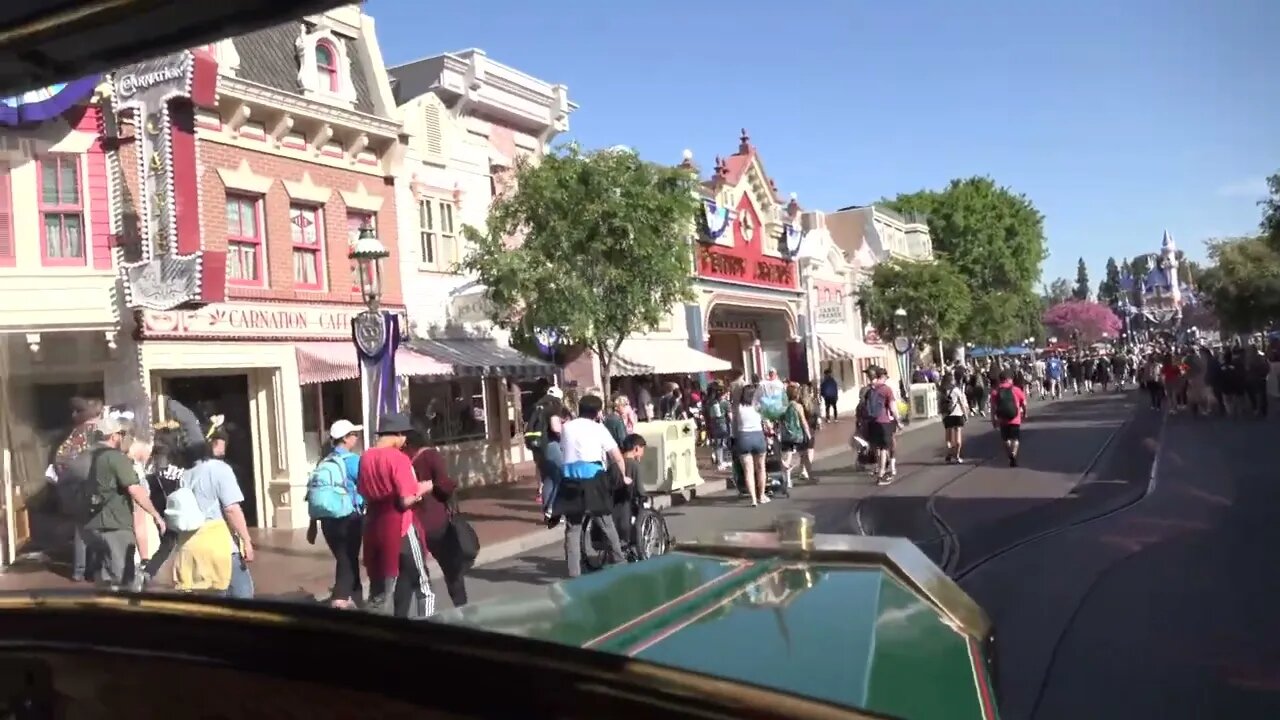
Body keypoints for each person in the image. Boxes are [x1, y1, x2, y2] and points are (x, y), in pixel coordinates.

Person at [356, 412, 434, 618]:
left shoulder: (365, 456)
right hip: (401, 524)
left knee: (380, 589)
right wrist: (424, 489)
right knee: (422, 584)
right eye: (405, 436)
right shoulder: (398, 458)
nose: (405, 440)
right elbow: (406, 499)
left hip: (374, 524)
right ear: (398, 434)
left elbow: (362, 491)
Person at [78, 413, 166, 588]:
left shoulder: (86, 456)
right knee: (125, 580)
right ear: (114, 436)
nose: (126, 438)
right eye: (124, 434)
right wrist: (156, 515)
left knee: (103, 578)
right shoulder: (115, 458)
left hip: (91, 527)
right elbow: (135, 490)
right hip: (114, 526)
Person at [171, 427, 254, 598]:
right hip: (220, 547)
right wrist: (246, 540)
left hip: (190, 547)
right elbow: (231, 509)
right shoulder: (220, 469)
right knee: (243, 597)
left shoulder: (185, 476)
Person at [555, 394, 629, 577]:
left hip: (570, 478)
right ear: (597, 412)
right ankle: (619, 559)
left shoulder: (566, 428)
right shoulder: (599, 428)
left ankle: (574, 572)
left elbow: (564, 449)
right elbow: (616, 455)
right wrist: (625, 476)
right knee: (605, 520)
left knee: (573, 527)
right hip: (593, 477)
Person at [405, 429, 468, 608]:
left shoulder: (402, 459)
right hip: (436, 521)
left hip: (413, 523)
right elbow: (444, 485)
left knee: (416, 573)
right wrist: (448, 484)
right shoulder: (430, 455)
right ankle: (462, 609)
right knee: (451, 569)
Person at [309, 419, 364, 609]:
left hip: (326, 521)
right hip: (349, 518)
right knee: (347, 560)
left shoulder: (323, 461)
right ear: (346, 439)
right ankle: (339, 601)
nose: (356, 438)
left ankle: (356, 599)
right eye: (354, 434)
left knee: (346, 558)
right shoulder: (353, 461)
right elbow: (366, 485)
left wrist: (311, 525)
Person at [864, 368, 900, 484]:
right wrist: (898, 421)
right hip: (884, 422)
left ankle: (879, 469)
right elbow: (893, 407)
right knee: (885, 448)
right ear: (883, 377)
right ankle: (881, 475)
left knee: (878, 449)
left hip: (872, 422)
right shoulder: (886, 389)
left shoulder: (870, 390)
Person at [990, 370, 1028, 467]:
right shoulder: (1016, 389)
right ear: (1009, 379)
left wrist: (993, 420)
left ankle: (1009, 455)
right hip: (1015, 418)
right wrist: (1025, 413)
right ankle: (1013, 454)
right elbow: (1024, 404)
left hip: (1002, 419)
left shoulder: (995, 391)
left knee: (1005, 439)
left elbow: (993, 408)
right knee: (1015, 439)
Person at [940, 375, 969, 464]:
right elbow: (961, 403)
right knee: (958, 437)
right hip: (957, 414)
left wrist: (942, 414)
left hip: (947, 415)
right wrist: (965, 415)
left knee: (948, 437)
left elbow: (940, 405)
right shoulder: (956, 390)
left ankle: (949, 453)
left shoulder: (942, 391)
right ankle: (957, 456)